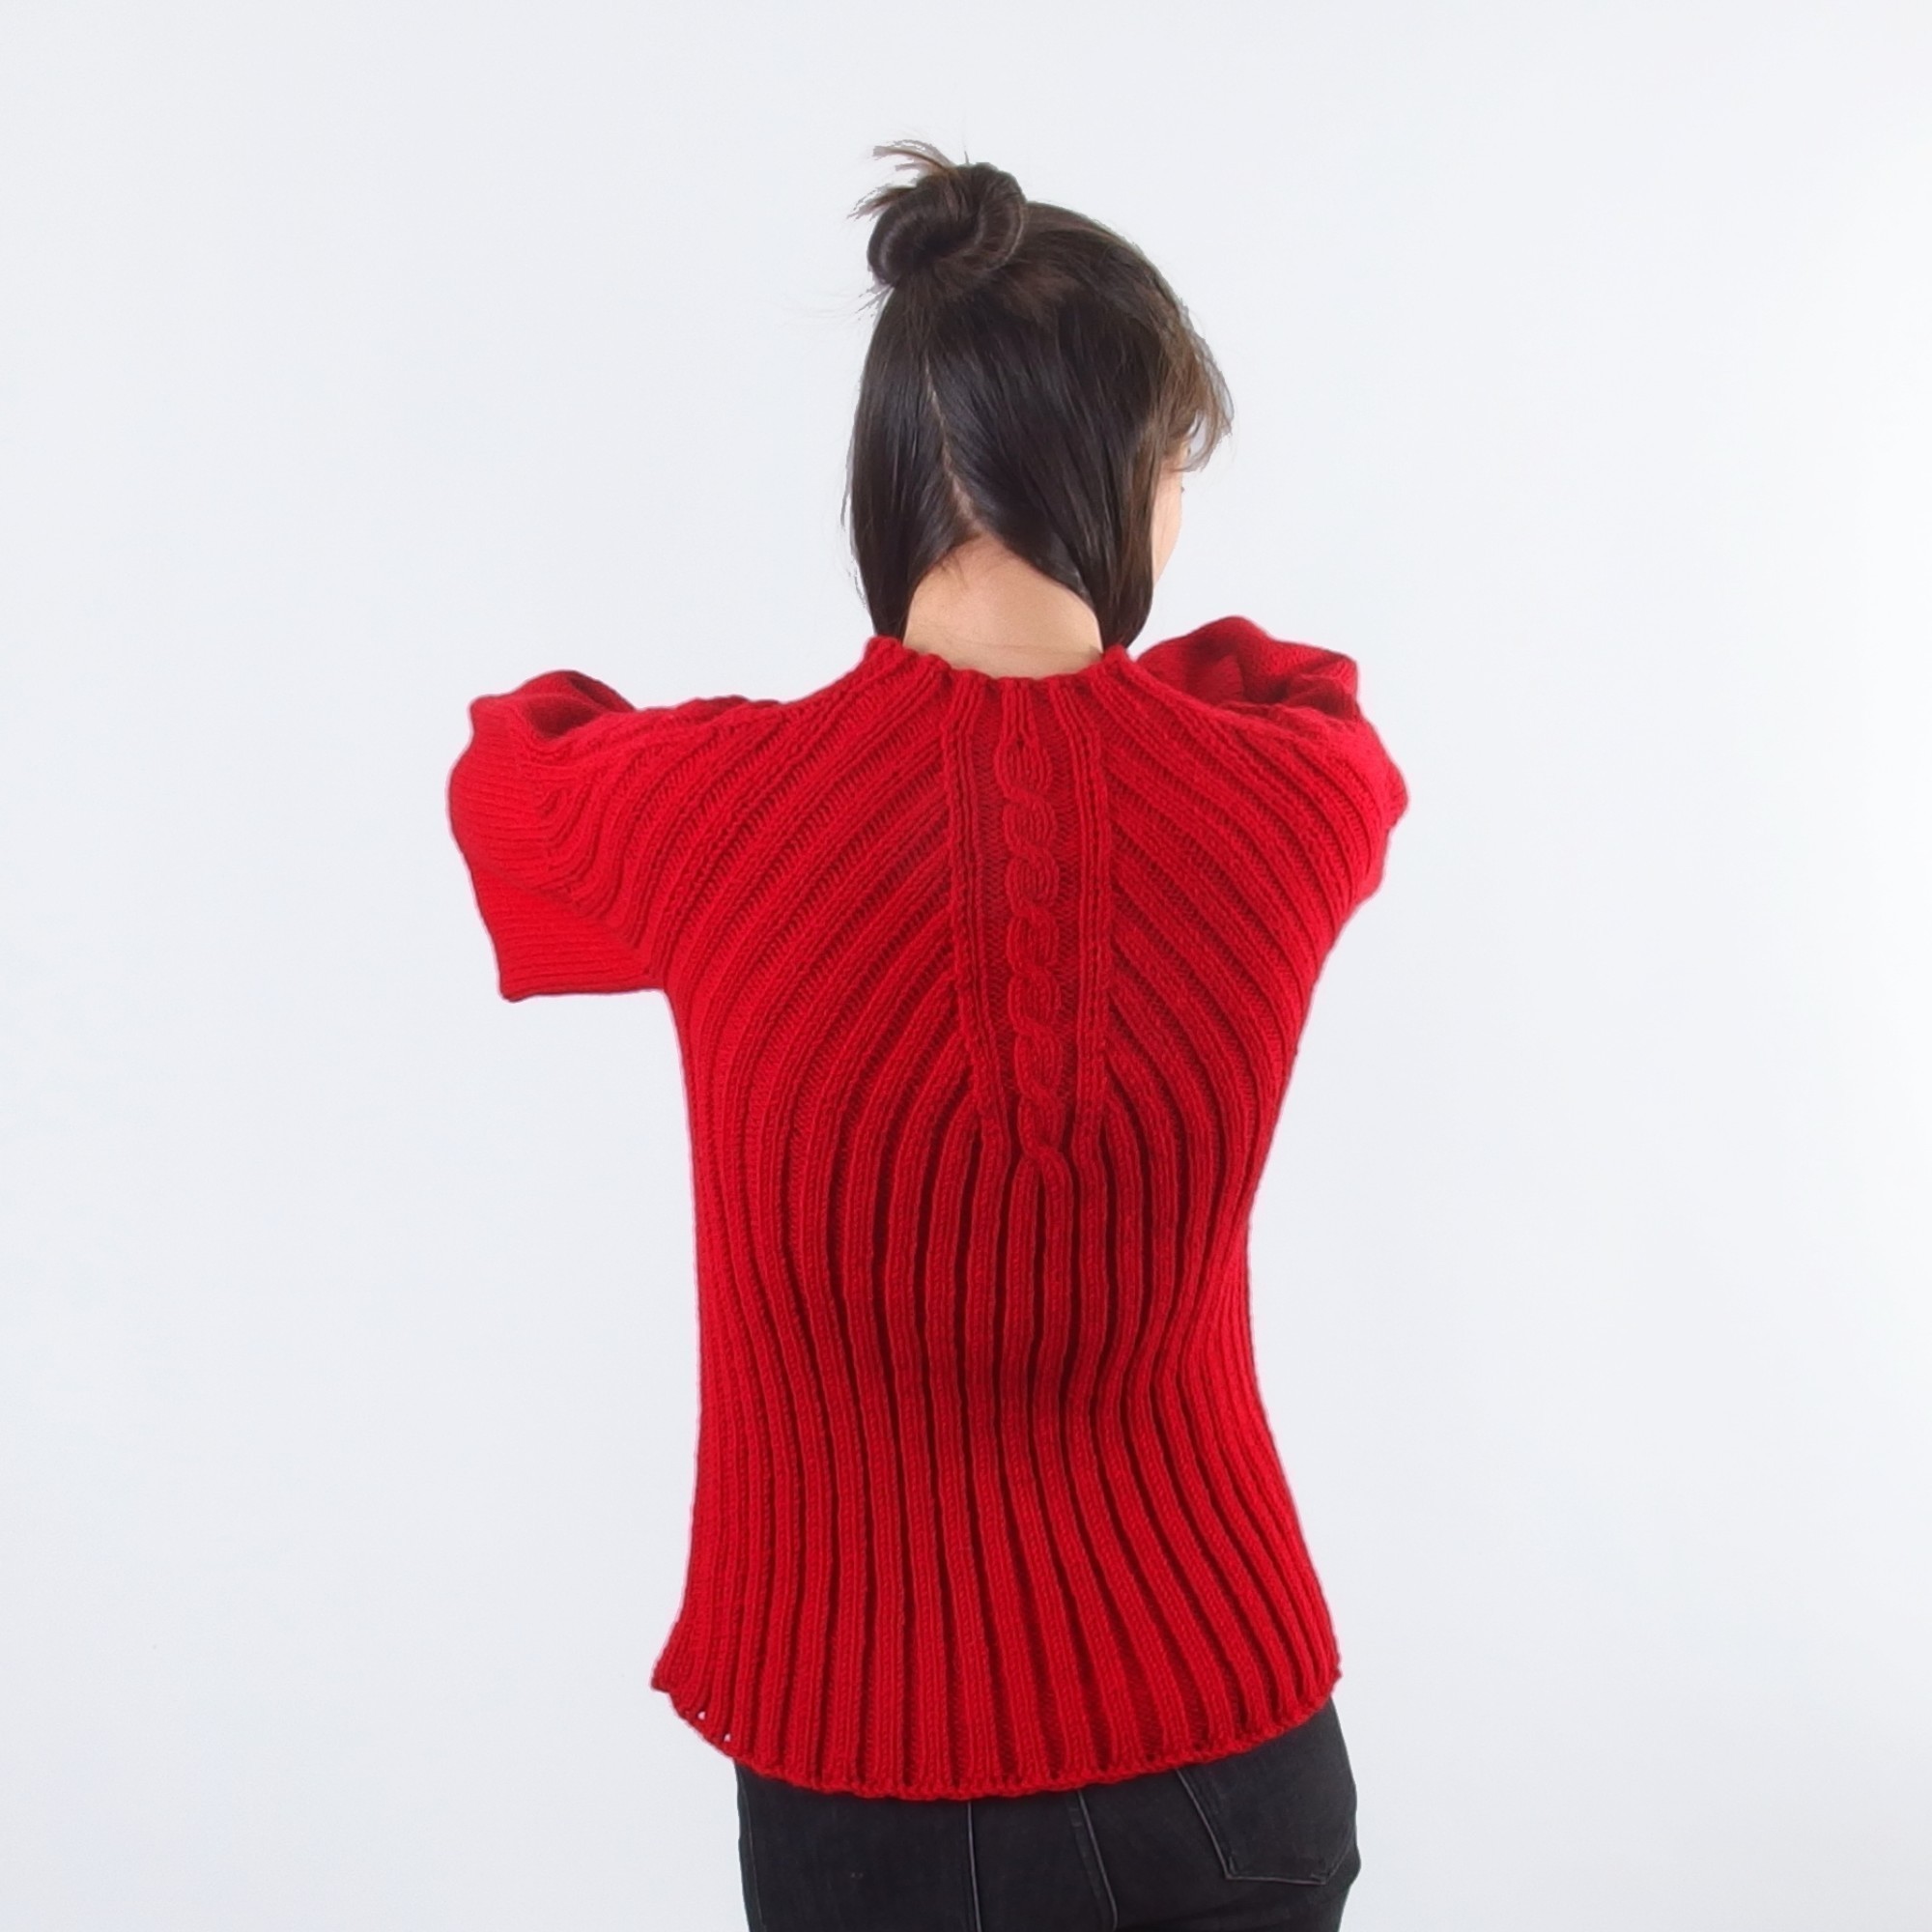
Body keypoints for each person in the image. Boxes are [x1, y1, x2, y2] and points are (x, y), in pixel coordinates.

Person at [447, 137, 1408, 1932]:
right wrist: (1117, 712)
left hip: (863, 1787)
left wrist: (778, 743)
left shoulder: (706, 815)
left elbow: (510, 768)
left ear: (892, 483)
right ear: (1129, 478)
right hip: (1234, 1754)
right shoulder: (1294, 807)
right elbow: (1303, 693)